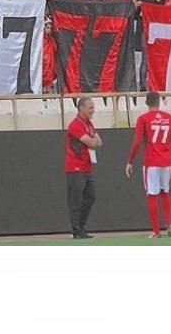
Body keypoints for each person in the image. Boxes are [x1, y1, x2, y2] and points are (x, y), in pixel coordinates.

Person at [126, 91, 171, 238]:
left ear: (146, 102)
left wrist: (130, 161)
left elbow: (137, 141)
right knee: (165, 192)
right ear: (159, 101)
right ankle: (169, 224)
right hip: (167, 160)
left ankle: (156, 231)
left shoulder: (143, 118)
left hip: (151, 161)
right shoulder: (169, 118)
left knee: (152, 194)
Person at [64, 97, 103, 239]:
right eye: (90, 107)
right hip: (75, 168)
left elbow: (99, 141)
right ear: (81, 108)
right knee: (76, 200)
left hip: (87, 167)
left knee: (90, 197)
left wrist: (93, 141)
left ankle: (81, 226)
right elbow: (92, 143)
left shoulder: (89, 124)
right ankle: (77, 230)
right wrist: (92, 141)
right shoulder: (76, 125)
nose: (93, 110)